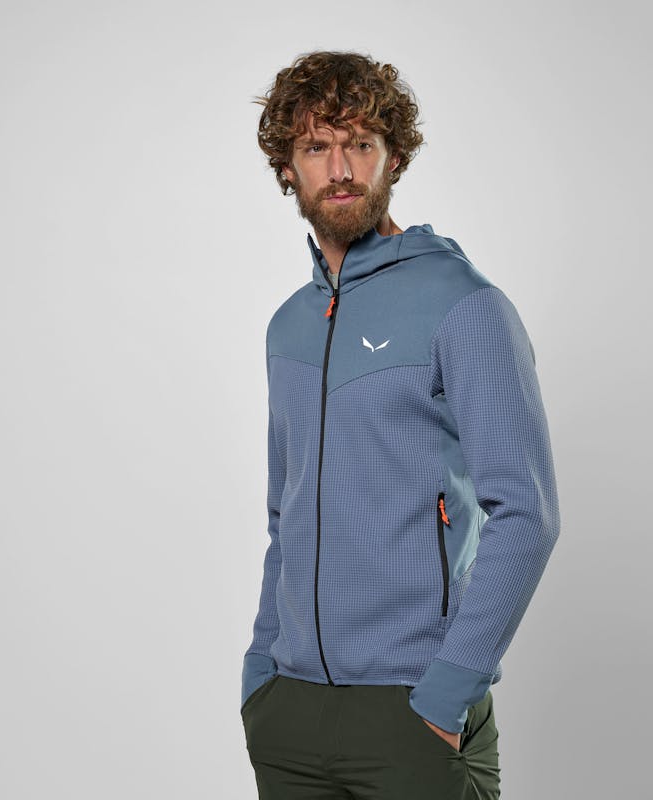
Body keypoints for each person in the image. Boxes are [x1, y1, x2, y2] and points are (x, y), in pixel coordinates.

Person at [240, 50, 560, 800]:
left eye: (361, 143)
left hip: (411, 711)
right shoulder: (287, 327)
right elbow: (286, 516)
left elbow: (527, 511)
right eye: (316, 147)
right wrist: (261, 672)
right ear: (287, 168)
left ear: (395, 157)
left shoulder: (462, 303)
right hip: (288, 716)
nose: (340, 169)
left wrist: (447, 693)